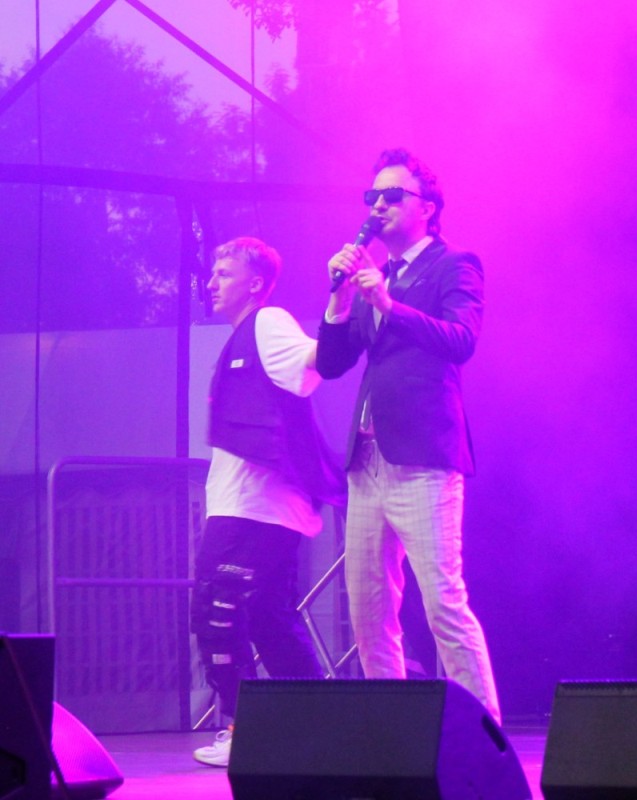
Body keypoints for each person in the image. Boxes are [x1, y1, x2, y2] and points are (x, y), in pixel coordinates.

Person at [315, 148, 500, 723]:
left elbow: (461, 340)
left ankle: (485, 733)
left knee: (443, 601)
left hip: (422, 458)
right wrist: (340, 297)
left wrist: (387, 304)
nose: (379, 205)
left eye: (392, 195)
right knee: (369, 609)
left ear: (428, 207)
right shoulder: (378, 275)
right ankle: (390, 734)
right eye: (372, 196)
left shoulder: (454, 264)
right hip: (368, 462)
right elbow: (331, 364)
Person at [192, 237, 346, 767]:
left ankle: (247, 732)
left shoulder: (267, 321)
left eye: (224, 273)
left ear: (255, 283)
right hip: (257, 506)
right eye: (213, 272)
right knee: (268, 618)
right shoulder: (243, 334)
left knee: (217, 612)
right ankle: (317, 731)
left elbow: (313, 367)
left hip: (255, 508)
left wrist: (339, 306)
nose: (212, 282)